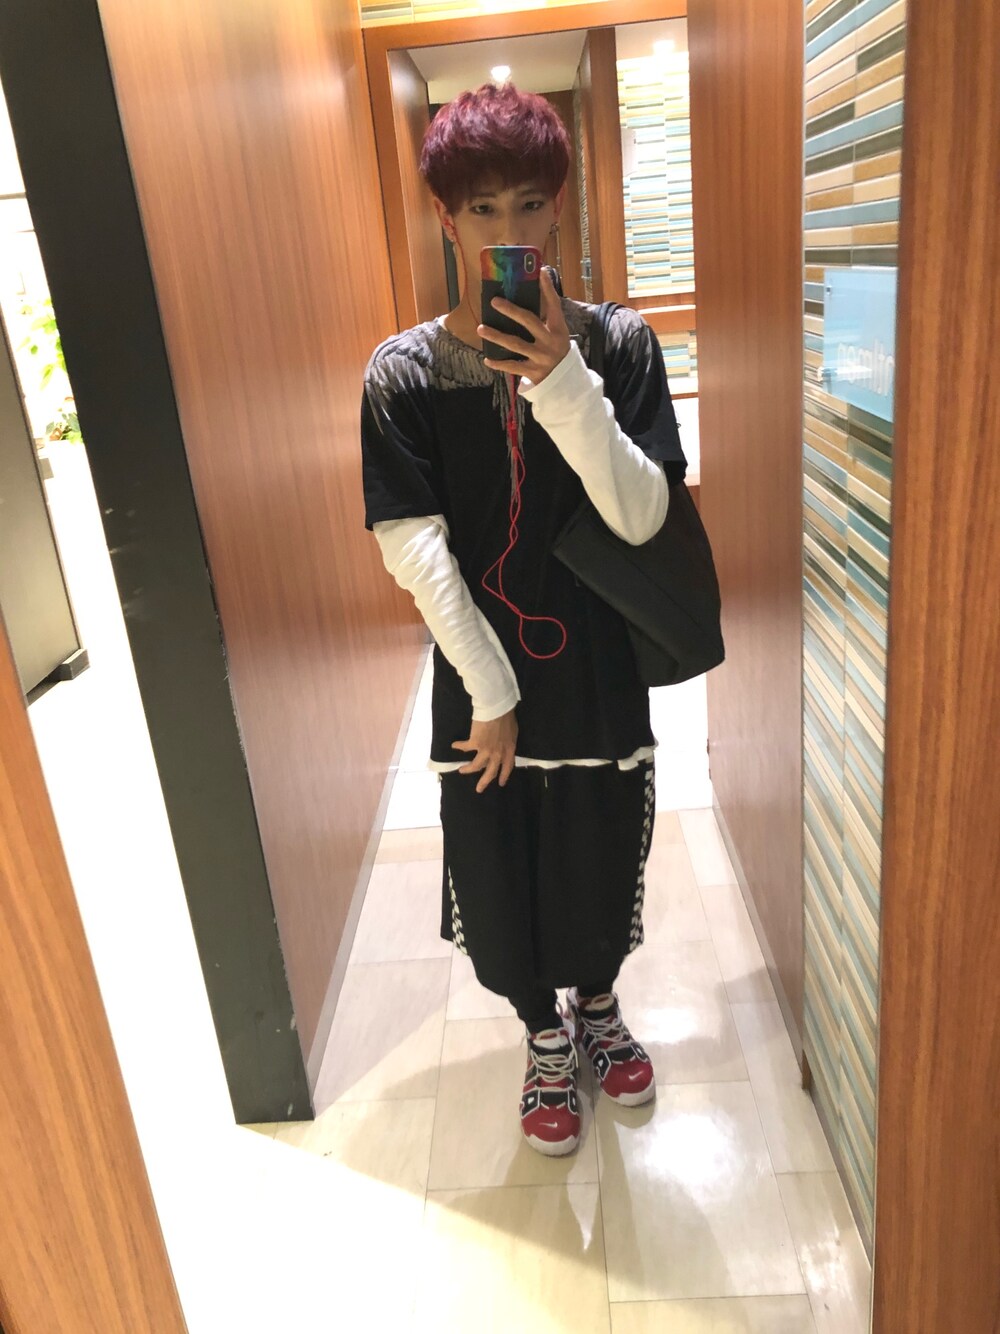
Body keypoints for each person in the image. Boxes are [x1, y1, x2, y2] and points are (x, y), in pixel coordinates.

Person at [360, 83, 687, 1157]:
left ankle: (596, 1005)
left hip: (596, 664)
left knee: (599, 846)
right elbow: (411, 543)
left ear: (560, 207)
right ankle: (541, 1032)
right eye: (484, 208)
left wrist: (563, 384)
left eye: (530, 203)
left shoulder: (619, 345)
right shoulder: (403, 374)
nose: (511, 227)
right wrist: (492, 691)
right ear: (447, 219)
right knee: (497, 866)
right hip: (479, 671)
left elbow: (642, 516)